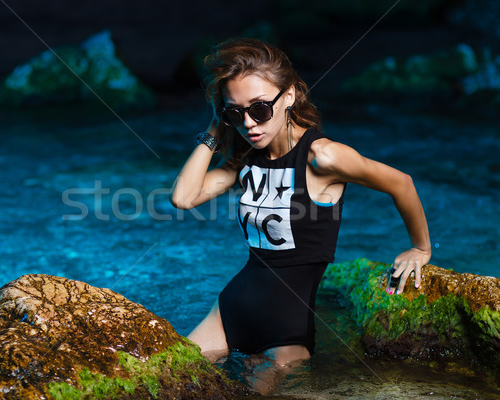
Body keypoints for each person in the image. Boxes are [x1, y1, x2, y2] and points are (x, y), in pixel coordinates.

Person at [170, 38, 431, 369]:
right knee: (167, 376)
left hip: (287, 333)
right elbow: (183, 197)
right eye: (235, 112)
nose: (249, 123)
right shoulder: (246, 158)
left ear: (289, 96)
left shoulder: (323, 157)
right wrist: (215, 127)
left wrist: (420, 248)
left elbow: (401, 183)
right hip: (230, 311)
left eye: (260, 109)